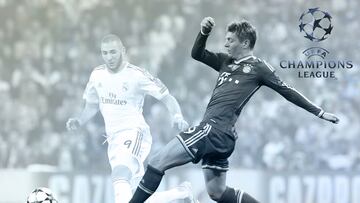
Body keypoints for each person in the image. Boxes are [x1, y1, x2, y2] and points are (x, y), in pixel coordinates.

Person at [129, 17, 340, 203]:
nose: (225, 44)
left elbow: (287, 90)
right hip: (224, 137)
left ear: (245, 43)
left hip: (212, 130)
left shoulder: (259, 68)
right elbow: (197, 54)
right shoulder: (225, 61)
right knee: (217, 193)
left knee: (157, 162)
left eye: (230, 40)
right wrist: (204, 33)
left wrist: (319, 112)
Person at [66, 34, 197, 203]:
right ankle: (181, 193)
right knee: (136, 196)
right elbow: (91, 106)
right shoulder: (97, 75)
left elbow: (167, 97)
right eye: (104, 53)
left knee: (120, 174)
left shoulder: (137, 75)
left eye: (113, 52)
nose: (109, 57)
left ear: (123, 51)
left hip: (134, 133)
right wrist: (79, 120)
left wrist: (177, 116)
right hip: (113, 139)